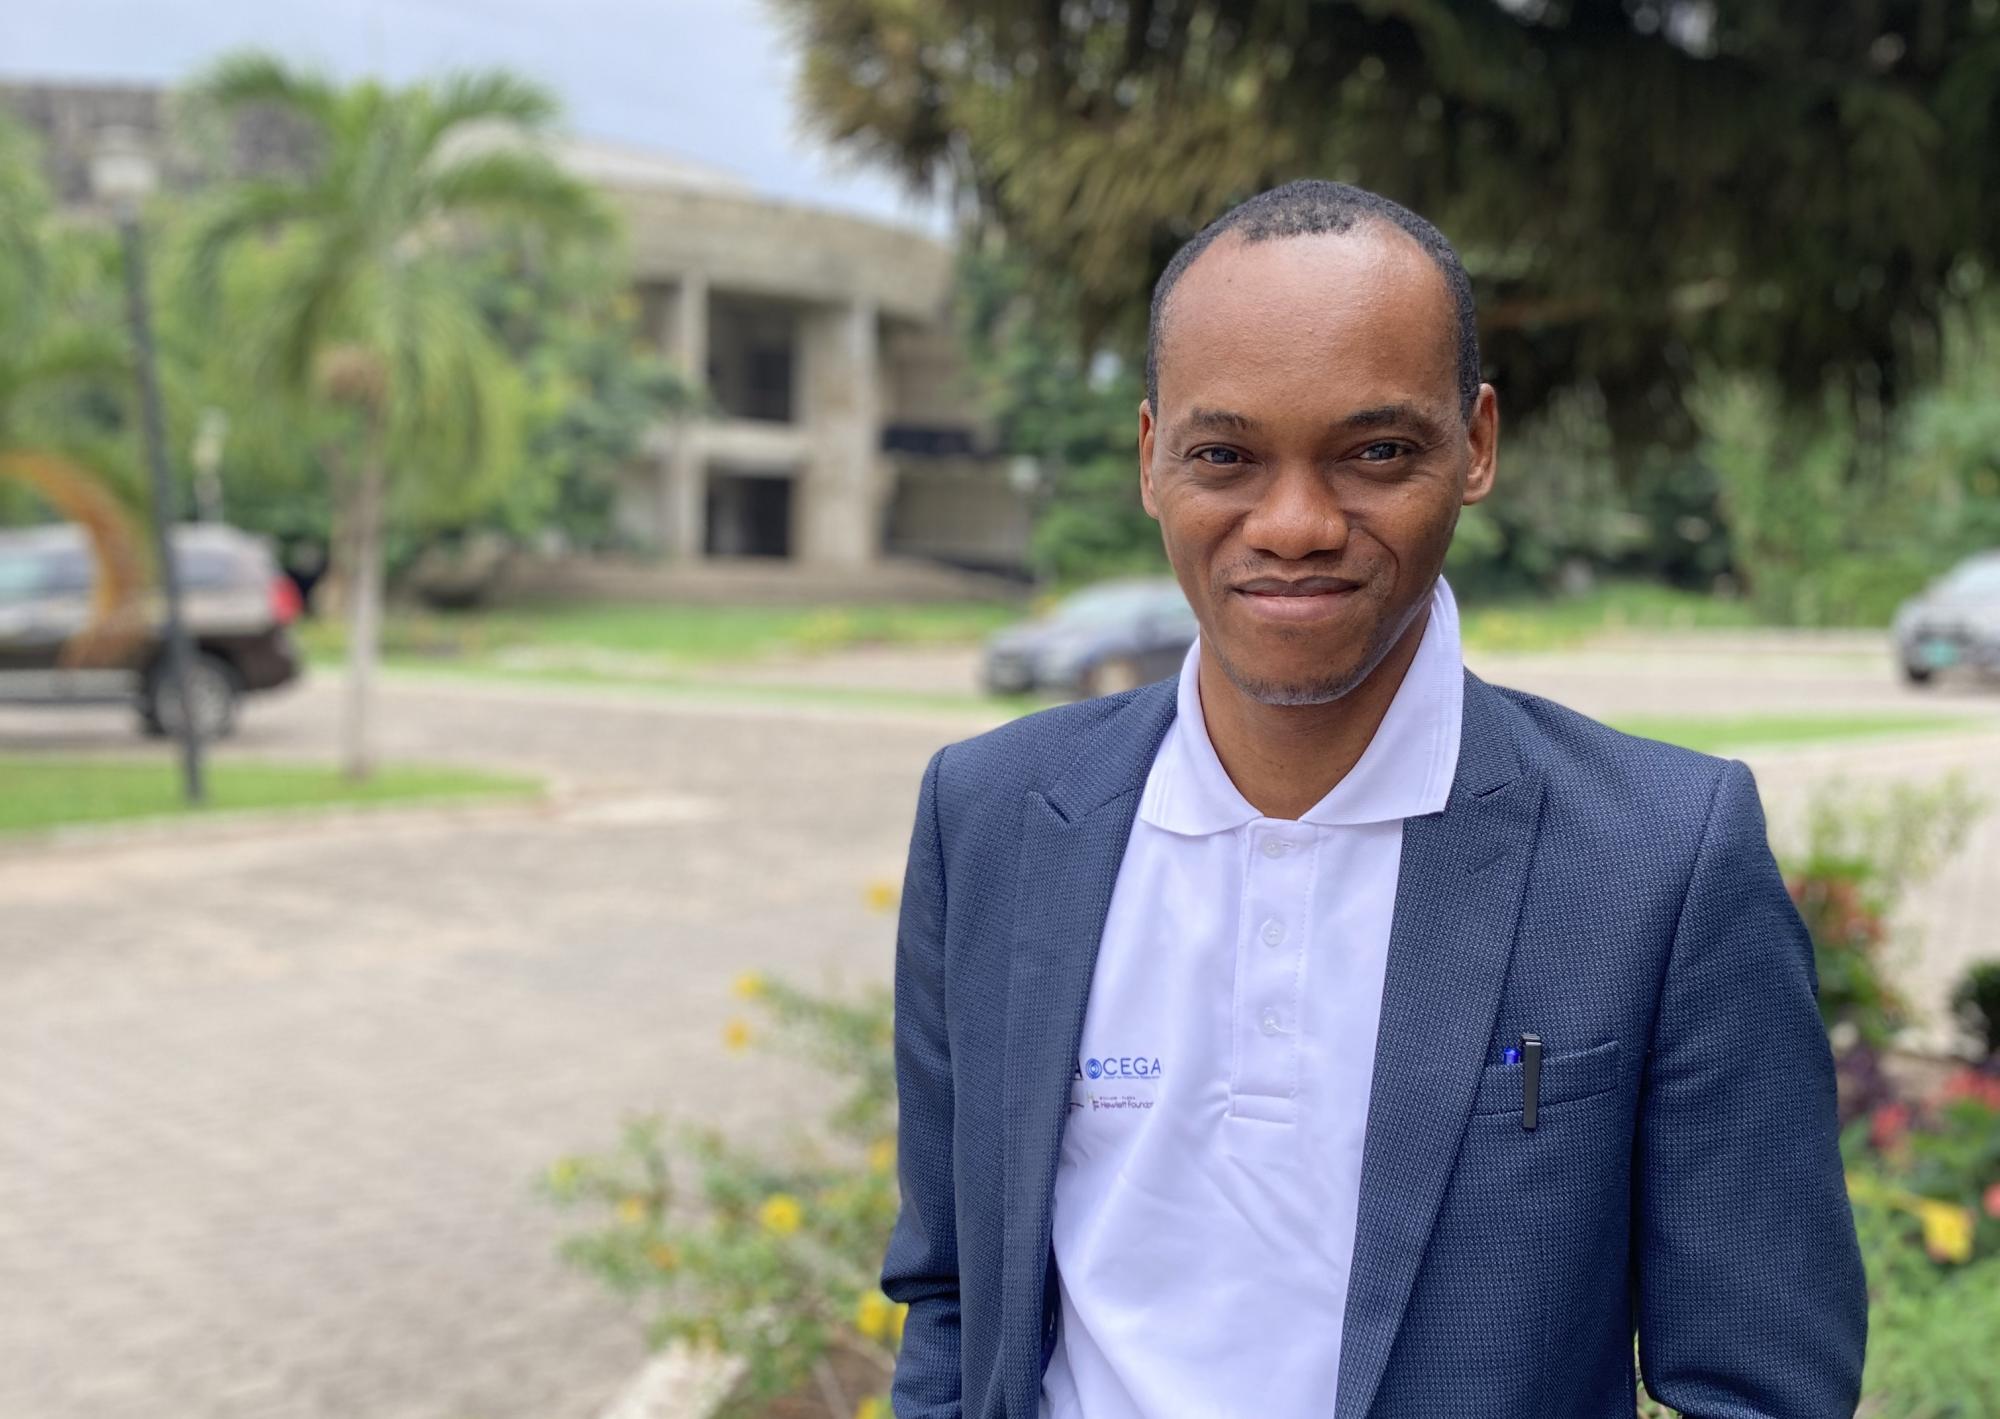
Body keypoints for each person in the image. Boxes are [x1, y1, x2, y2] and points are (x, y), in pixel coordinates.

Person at [879, 180, 1866, 1418]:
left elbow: (1760, 1385)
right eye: (1225, 455)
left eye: (1375, 452)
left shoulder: (1658, 857)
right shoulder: (992, 818)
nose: (1293, 524)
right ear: (1149, 458)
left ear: (1476, 447)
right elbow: (953, 1295)